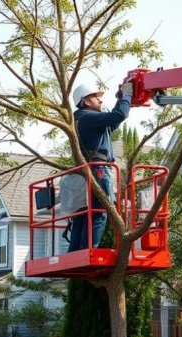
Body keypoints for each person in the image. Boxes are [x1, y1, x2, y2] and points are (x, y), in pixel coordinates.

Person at [67, 81, 133, 252]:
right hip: (98, 170)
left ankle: (76, 253)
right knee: (99, 212)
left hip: (85, 172)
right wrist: (127, 95)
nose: (100, 101)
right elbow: (118, 116)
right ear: (86, 101)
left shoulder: (82, 119)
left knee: (83, 215)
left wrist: (120, 99)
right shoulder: (87, 117)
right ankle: (88, 251)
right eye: (96, 97)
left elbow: (112, 123)